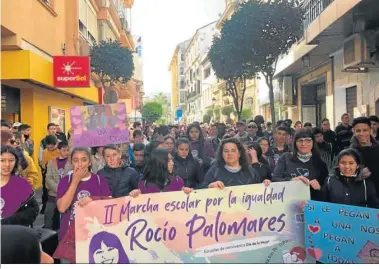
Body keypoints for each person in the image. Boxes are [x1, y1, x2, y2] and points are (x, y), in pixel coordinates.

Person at [56, 147, 111, 240]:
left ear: (89, 162)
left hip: (94, 234)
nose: (80, 164)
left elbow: (109, 205)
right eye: (75, 160)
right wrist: (75, 181)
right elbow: (62, 208)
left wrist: (93, 199)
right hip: (70, 236)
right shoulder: (65, 181)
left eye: (84, 160)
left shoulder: (99, 180)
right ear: (71, 163)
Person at [272, 129, 328, 200]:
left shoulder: (320, 163)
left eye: (308, 140)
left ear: (313, 142)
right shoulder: (285, 158)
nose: (303, 144)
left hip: (311, 206)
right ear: (295, 143)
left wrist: (319, 188)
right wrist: (291, 181)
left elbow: (327, 190)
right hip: (287, 203)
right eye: (300, 140)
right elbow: (274, 180)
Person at [1, 146, 39, 226]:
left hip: (14, 233)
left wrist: (8, 221)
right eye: (2, 160)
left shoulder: (21, 185)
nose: (7, 164)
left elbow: (33, 210)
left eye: (11, 160)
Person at [45, 142, 72, 230]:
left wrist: (66, 190)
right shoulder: (51, 162)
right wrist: (58, 189)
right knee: (49, 214)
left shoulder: (72, 162)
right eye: (64, 150)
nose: (66, 152)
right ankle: (48, 234)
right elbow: (48, 178)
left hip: (68, 193)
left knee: (66, 215)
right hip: (53, 193)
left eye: (68, 150)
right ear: (58, 150)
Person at [350, 117, 379, 197]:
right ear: (354, 132)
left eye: (365, 130)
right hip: (361, 198)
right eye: (358, 131)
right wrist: (358, 174)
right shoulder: (350, 153)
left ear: (370, 131)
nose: (361, 133)